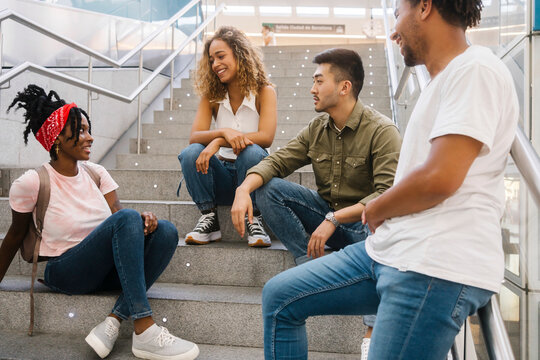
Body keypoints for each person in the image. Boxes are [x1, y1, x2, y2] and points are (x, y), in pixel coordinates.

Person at [258, 0, 519, 359]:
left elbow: (440, 178)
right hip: (389, 252)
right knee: (279, 297)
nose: (394, 30)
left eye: (397, 14)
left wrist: (378, 206)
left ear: (425, 6)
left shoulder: (475, 70)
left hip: (432, 266)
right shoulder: (443, 81)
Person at [0, 85, 199, 360]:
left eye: (88, 129)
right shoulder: (32, 182)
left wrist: (145, 221)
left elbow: (119, 216)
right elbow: (14, 236)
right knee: (127, 217)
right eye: (80, 130)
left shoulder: (97, 173)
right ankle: (144, 327)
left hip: (104, 269)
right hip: (65, 270)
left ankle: (114, 320)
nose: (90, 137)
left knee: (166, 230)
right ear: (57, 138)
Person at [231, 47, 402, 356]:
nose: (312, 89)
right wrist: (243, 189)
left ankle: (372, 333)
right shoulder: (317, 129)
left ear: (344, 87)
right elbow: (277, 162)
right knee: (268, 188)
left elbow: (386, 196)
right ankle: (309, 263)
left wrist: (334, 219)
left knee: (381, 234)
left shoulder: (382, 131)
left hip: (366, 225)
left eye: (319, 81)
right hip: (327, 217)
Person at [178, 26, 277, 247]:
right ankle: (209, 218)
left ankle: (254, 218)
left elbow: (266, 137)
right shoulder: (211, 96)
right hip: (222, 177)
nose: (215, 65)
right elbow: (195, 136)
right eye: (212, 60)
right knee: (191, 153)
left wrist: (220, 141)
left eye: (221, 56)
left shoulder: (264, 91)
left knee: (251, 152)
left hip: (254, 176)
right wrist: (223, 131)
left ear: (240, 54)